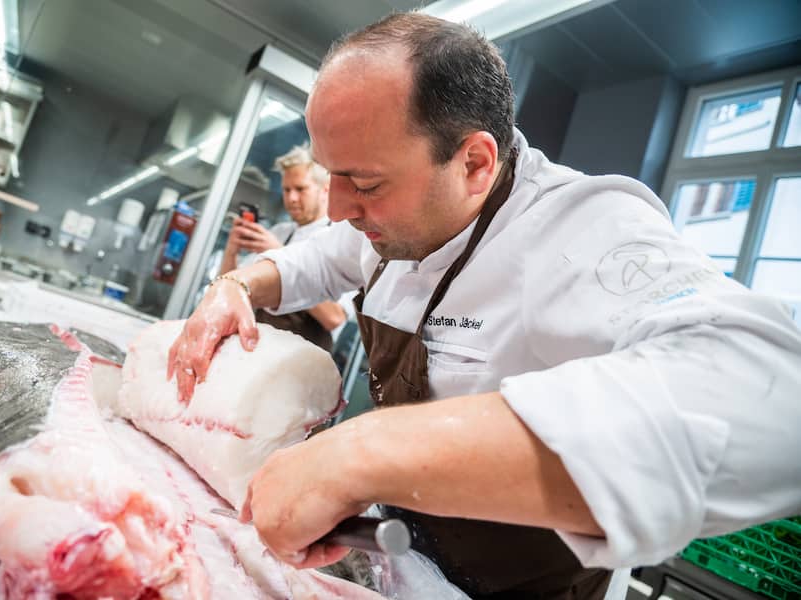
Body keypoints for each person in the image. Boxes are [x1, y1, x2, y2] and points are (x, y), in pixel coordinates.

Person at [167, 13, 801, 599]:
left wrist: (361, 452)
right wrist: (238, 287)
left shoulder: (583, 230)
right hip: (406, 563)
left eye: (364, 184)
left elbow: (774, 395)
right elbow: (318, 257)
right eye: (332, 176)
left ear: (474, 162)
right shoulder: (392, 222)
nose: (337, 207)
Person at [218, 145, 347, 352]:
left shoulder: (340, 239)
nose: (292, 198)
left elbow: (334, 318)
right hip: (254, 350)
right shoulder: (280, 232)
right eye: (287, 190)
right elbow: (229, 288)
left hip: (297, 363)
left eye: (300, 189)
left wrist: (280, 255)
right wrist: (232, 249)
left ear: (325, 190)